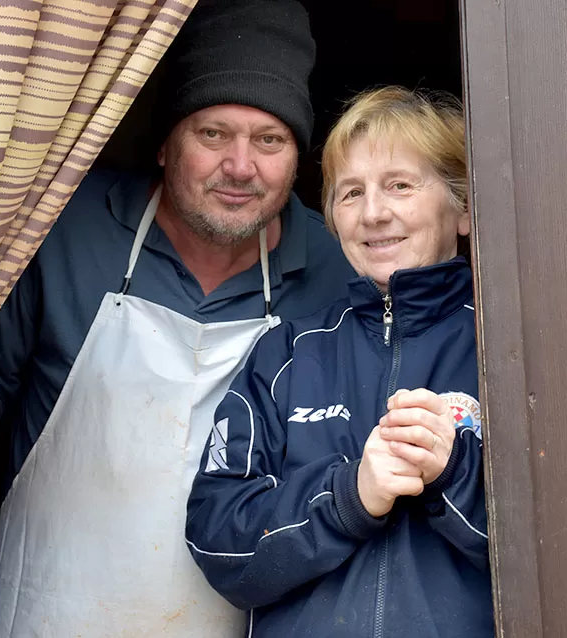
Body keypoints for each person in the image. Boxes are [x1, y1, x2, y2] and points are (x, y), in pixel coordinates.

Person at [0, 1, 356, 635]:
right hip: (53, 612)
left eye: (269, 140)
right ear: (166, 144)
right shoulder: (62, 225)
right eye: (213, 134)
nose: (241, 167)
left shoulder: (339, 273)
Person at [185, 86, 494, 637]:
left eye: (399, 185)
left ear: (464, 208)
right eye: (351, 193)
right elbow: (216, 541)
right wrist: (349, 496)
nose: (373, 214)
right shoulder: (287, 354)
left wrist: (455, 471)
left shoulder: (518, 347)